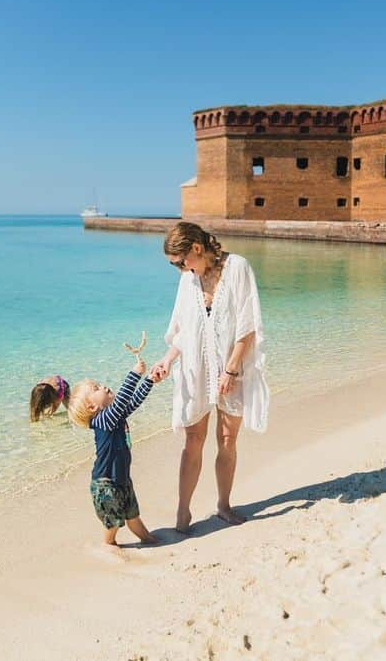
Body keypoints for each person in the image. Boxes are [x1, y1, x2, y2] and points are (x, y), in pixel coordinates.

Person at [149, 222, 270, 533]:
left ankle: (224, 505)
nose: (178, 268)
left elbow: (248, 326)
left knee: (227, 440)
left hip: (233, 369)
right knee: (193, 441)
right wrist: (165, 362)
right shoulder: (188, 281)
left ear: (197, 249)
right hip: (196, 371)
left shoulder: (238, 268)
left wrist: (230, 369)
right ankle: (183, 511)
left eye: (180, 261)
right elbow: (183, 333)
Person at [68, 357, 160, 547]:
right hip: (105, 483)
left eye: (99, 385)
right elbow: (122, 400)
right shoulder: (102, 421)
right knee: (113, 523)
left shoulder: (114, 417)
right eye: (96, 388)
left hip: (122, 479)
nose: (104, 387)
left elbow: (132, 402)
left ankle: (148, 540)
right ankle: (108, 544)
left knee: (132, 515)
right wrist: (135, 374)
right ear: (92, 407)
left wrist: (149, 380)